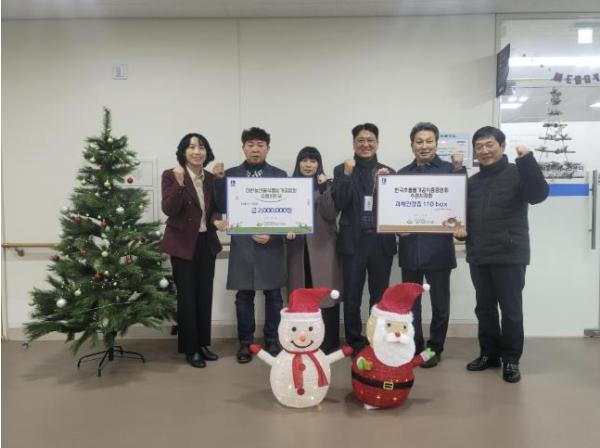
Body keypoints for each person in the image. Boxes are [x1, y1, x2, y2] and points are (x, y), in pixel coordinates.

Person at [455, 126, 548, 383]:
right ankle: (489, 354)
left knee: (511, 311)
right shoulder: (473, 182)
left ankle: (511, 360)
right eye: (479, 147)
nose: (484, 151)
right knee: (484, 309)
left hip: (510, 254)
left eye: (489, 145)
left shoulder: (518, 173)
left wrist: (527, 160)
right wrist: (461, 234)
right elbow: (465, 219)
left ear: (502, 146)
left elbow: (538, 195)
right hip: (479, 254)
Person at [214, 127, 288, 363]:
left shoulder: (280, 176)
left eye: (260, 145)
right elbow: (219, 207)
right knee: (244, 295)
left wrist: (273, 234)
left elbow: (288, 212)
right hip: (243, 243)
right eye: (251, 145)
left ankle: (273, 340)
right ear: (243, 148)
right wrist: (218, 183)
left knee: (274, 295)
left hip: (271, 245)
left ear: (268, 148)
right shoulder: (230, 175)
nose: (255, 149)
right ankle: (246, 343)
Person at [396, 122, 465, 368]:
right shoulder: (401, 174)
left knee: (440, 304)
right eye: (419, 142)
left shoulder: (450, 170)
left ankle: (435, 348)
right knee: (411, 304)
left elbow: (461, 203)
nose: (424, 146)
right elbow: (395, 210)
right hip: (410, 248)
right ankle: (415, 346)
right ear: (412, 145)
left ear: (436, 143)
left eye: (429, 141)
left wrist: (460, 170)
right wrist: (396, 228)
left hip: (439, 249)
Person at [160, 133, 226, 368]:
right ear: (183, 152)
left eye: (201, 147)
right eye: (191, 147)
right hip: (182, 244)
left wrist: (217, 219)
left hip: (206, 242)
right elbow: (169, 209)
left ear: (207, 152)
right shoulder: (171, 175)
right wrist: (179, 184)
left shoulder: (210, 178)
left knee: (204, 295)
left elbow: (216, 208)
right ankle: (190, 348)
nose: (197, 151)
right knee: (187, 297)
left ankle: (203, 344)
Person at [332, 123, 397, 354]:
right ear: (353, 143)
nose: (366, 144)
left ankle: (376, 339)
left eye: (370, 140)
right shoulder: (342, 170)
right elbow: (339, 203)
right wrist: (347, 175)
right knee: (352, 296)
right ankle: (354, 341)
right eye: (361, 140)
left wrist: (386, 184)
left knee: (379, 296)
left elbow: (396, 209)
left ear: (377, 143)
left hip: (381, 242)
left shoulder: (389, 171)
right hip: (353, 242)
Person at [286, 147, 342, 354]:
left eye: (313, 160)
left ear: (319, 164)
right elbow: (281, 214)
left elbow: (330, 214)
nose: (308, 165)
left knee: (326, 294)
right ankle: (300, 341)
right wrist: (285, 230)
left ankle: (328, 342)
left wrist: (324, 187)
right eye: (304, 160)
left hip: (324, 247)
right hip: (298, 248)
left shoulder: (328, 185)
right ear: (298, 163)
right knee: (302, 291)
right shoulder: (289, 186)